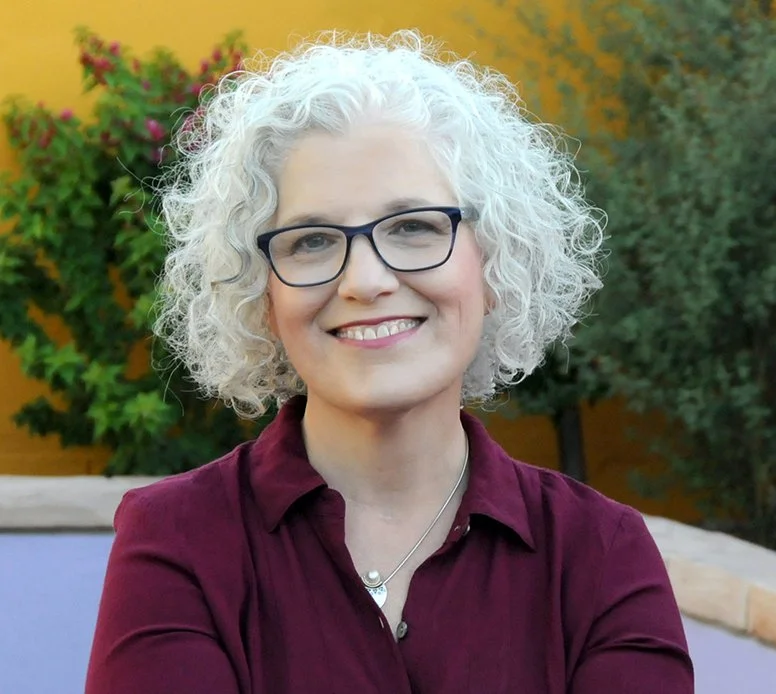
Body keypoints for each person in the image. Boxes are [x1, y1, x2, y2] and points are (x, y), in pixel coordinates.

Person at [85, 30, 693, 693]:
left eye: (414, 227)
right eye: (312, 240)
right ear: (263, 294)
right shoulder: (177, 543)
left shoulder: (601, 556)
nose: (365, 280)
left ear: (495, 263)